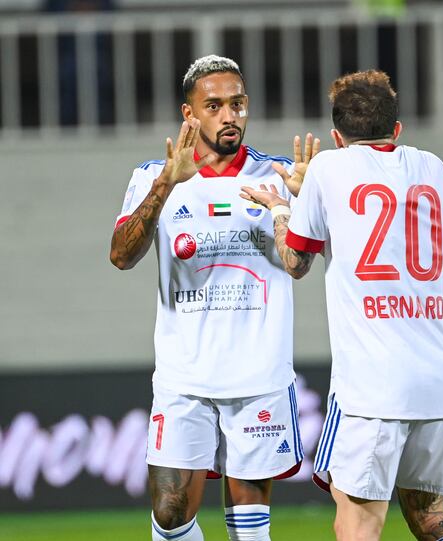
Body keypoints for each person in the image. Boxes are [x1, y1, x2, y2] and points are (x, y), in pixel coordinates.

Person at [242, 70, 443, 541]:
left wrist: (283, 209)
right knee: (430, 520)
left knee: (357, 526)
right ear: (398, 128)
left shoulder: (329, 169)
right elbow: (435, 249)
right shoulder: (435, 168)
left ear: (337, 136)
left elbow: (296, 261)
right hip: (438, 381)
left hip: (372, 388)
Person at [110, 55, 311, 541]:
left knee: (248, 528)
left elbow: (299, 267)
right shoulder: (153, 175)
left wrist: (300, 207)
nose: (229, 116)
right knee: (170, 515)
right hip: (184, 377)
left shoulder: (280, 175)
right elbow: (121, 255)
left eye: (238, 104)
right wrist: (166, 184)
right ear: (190, 114)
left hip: (258, 376)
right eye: (215, 105)